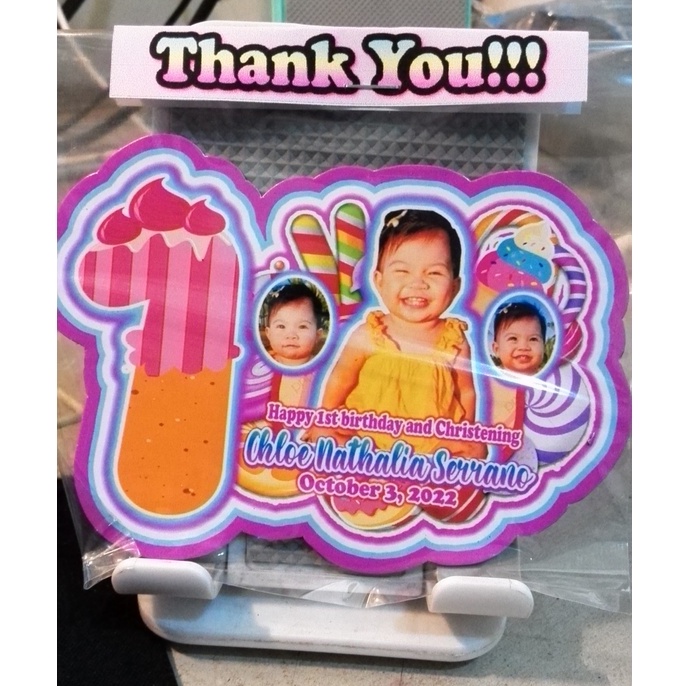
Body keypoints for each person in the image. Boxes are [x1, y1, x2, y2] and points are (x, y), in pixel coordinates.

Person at [309, 208, 484, 459]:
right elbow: (341, 379)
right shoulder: (367, 334)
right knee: (323, 433)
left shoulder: (454, 340)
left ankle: (419, 470)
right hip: (365, 434)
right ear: (378, 281)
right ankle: (368, 467)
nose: (418, 283)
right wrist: (325, 415)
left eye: (434, 273)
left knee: (476, 449)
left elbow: (465, 391)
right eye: (402, 271)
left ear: (455, 286)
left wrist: (466, 430)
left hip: (434, 439)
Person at [263, 281, 326, 369]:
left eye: (302, 326)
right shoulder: (261, 364)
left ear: (317, 335)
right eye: (281, 326)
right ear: (268, 333)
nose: (291, 335)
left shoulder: (324, 368)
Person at [491, 300, 547, 375]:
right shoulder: (490, 377)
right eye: (513, 338)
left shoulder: (550, 377)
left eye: (533, 339)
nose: (523, 347)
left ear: (544, 347)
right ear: (497, 349)